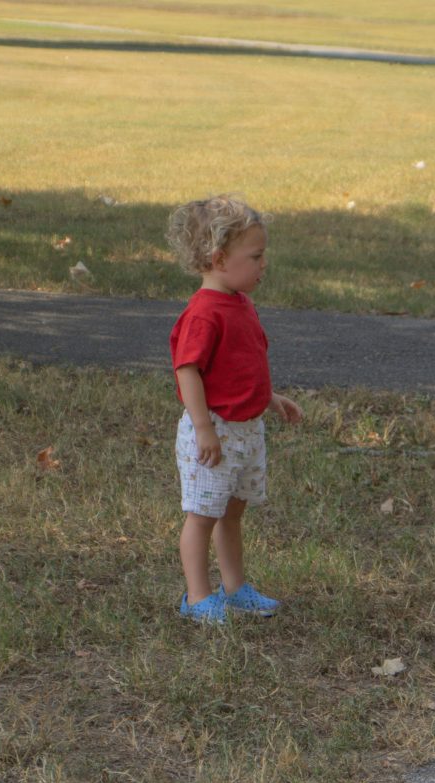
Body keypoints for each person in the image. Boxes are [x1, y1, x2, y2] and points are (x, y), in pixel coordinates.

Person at [167, 195, 303, 624]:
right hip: (217, 433)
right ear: (218, 257)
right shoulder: (205, 313)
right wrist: (204, 427)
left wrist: (269, 398)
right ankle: (197, 596)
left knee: (232, 511)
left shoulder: (240, 302)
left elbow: (242, 363)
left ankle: (235, 587)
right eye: (256, 256)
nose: (264, 264)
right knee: (202, 515)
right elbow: (188, 370)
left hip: (246, 429)